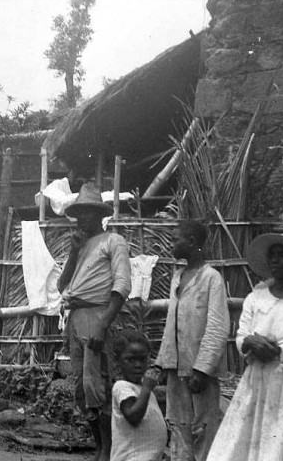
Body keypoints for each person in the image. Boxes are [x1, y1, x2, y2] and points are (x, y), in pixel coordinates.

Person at [206, 233, 283, 461]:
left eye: (282, 256)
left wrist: (278, 351)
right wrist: (249, 342)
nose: (275, 261)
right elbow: (241, 334)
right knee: (237, 446)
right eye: (272, 256)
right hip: (255, 382)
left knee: (278, 450)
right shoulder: (256, 297)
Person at [58, 182, 132, 461]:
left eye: (87, 213)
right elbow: (61, 285)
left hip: (97, 316)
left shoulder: (114, 241)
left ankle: (109, 450)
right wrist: (73, 253)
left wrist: (103, 325)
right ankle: (99, 445)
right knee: (80, 387)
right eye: (78, 214)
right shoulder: (81, 246)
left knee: (96, 384)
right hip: (76, 318)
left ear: (99, 215)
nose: (81, 219)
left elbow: (122, 285)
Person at [154, 220, 229, 461]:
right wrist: (163, 363)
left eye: (176, 240)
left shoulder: (211, 279)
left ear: (192, 242)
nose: (171, 245)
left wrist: (202, 369)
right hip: (176, 368)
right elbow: (171, 324)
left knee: (203, 429)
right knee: (177, 426)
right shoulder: (178, 277)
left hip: (199, 372)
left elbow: (217, 327)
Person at [110, 330, 167, 461]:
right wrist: (147, 389)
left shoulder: (142, 388)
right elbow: (133, 416)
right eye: (130, 360)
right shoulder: (121, 387)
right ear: (117, 361)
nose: (138, 365)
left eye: (142, 359)